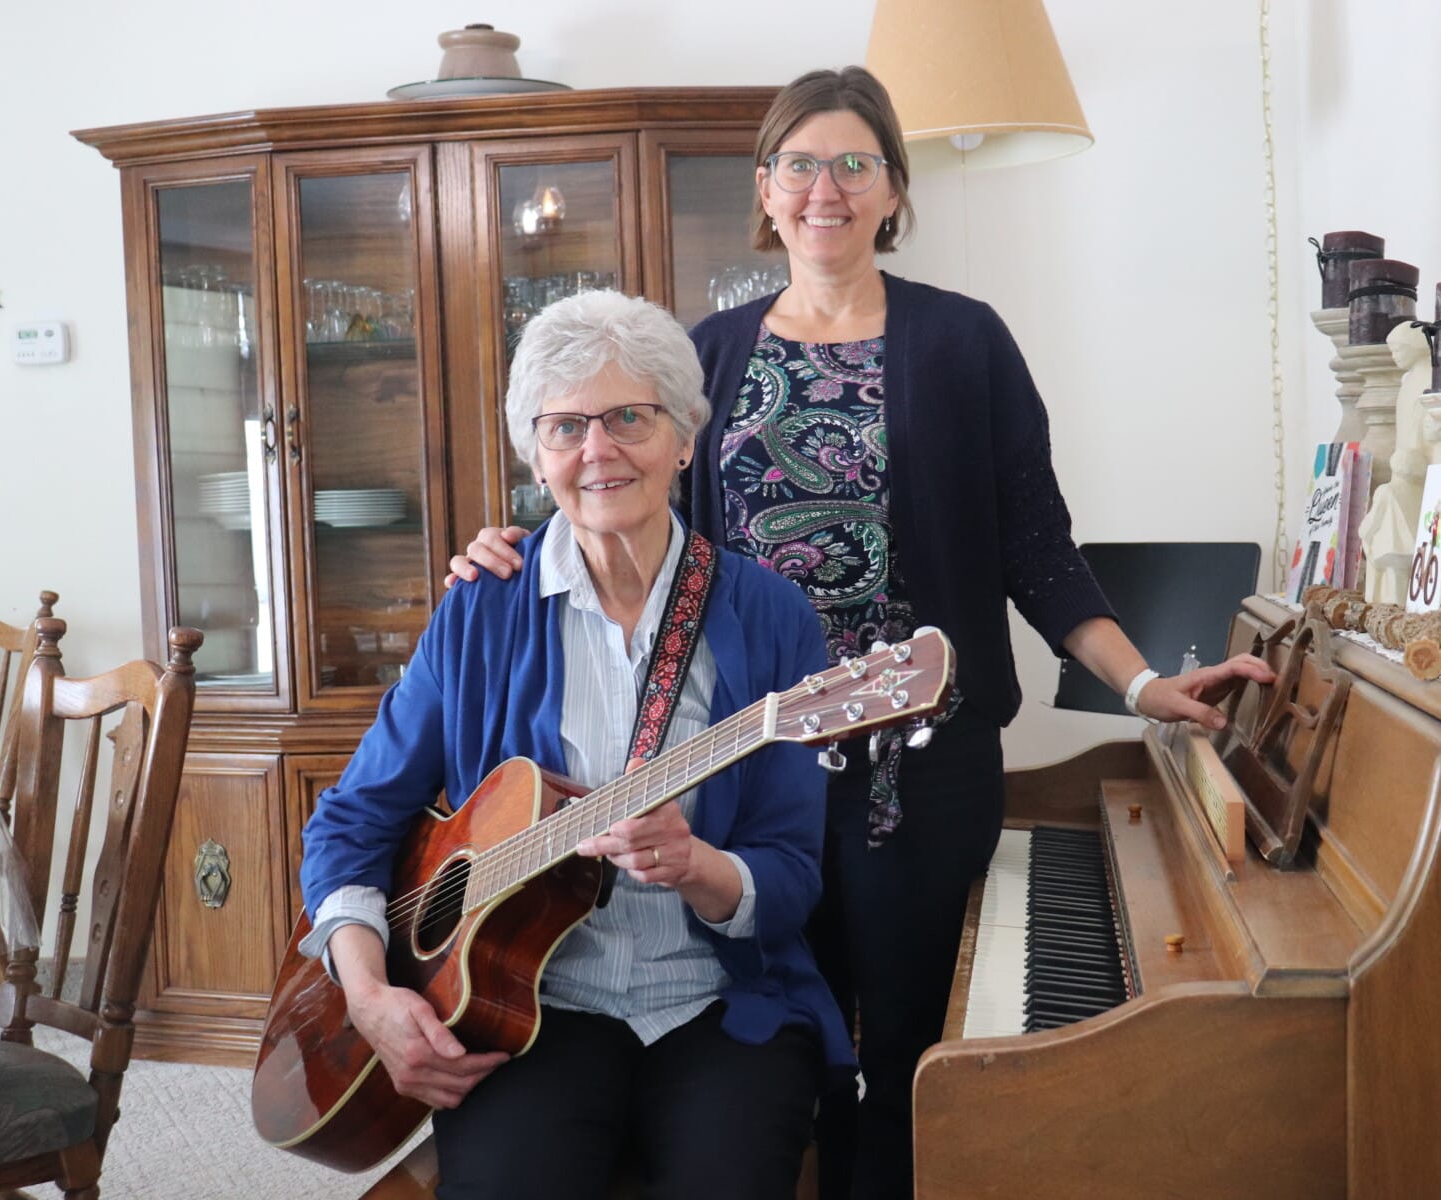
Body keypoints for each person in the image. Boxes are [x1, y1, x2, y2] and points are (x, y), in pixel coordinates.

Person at [443, 67, 1276, 1200]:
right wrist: (501, 548)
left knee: (910, 1060)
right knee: (777, 1038)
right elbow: (621, 503)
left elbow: (1037, 546)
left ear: (893, 188)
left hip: (919, 781)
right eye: (799, 164)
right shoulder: (708, 355)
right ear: (765, 189)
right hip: (745, 775)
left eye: (853, 163)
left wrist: (1138, 688)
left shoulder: (965, 342)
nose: (823, 188)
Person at [300, 290, 853, 1200]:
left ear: (684, 436)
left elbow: (792, 877)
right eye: (565, 427)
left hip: (719, 1003)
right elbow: (350, 824)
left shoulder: (770, 616)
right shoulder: (482, 609)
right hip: (526, 1011)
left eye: (630, 417)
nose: (598, 450)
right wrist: (370, 997)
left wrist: (698, 865)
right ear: (537, 455)